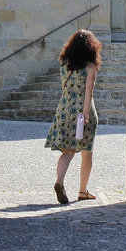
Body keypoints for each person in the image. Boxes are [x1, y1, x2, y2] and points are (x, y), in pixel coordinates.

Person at [44, 28, 102, 204]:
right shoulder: (90, 65)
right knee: (87, 152)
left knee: (68, 152)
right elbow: (88, 92)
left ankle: (59, 182)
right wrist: (85, 115)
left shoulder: (64, 64)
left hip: (64, 108)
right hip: (81, 111)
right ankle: (83, 191)